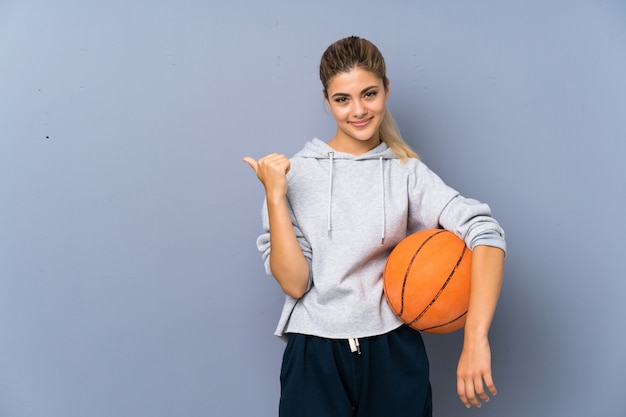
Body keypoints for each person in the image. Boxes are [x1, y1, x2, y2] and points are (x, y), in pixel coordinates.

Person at [243, 36, 505, 417]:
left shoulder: (405, 172)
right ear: (327, 100)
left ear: (386, 90)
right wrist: (275, 196)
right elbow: (295, 283)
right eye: (342, 99)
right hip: (314, 352)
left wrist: (476, 337)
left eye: (369, 94)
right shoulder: (293, 174)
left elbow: (486, 233)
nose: (358, 110)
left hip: (393, 349)